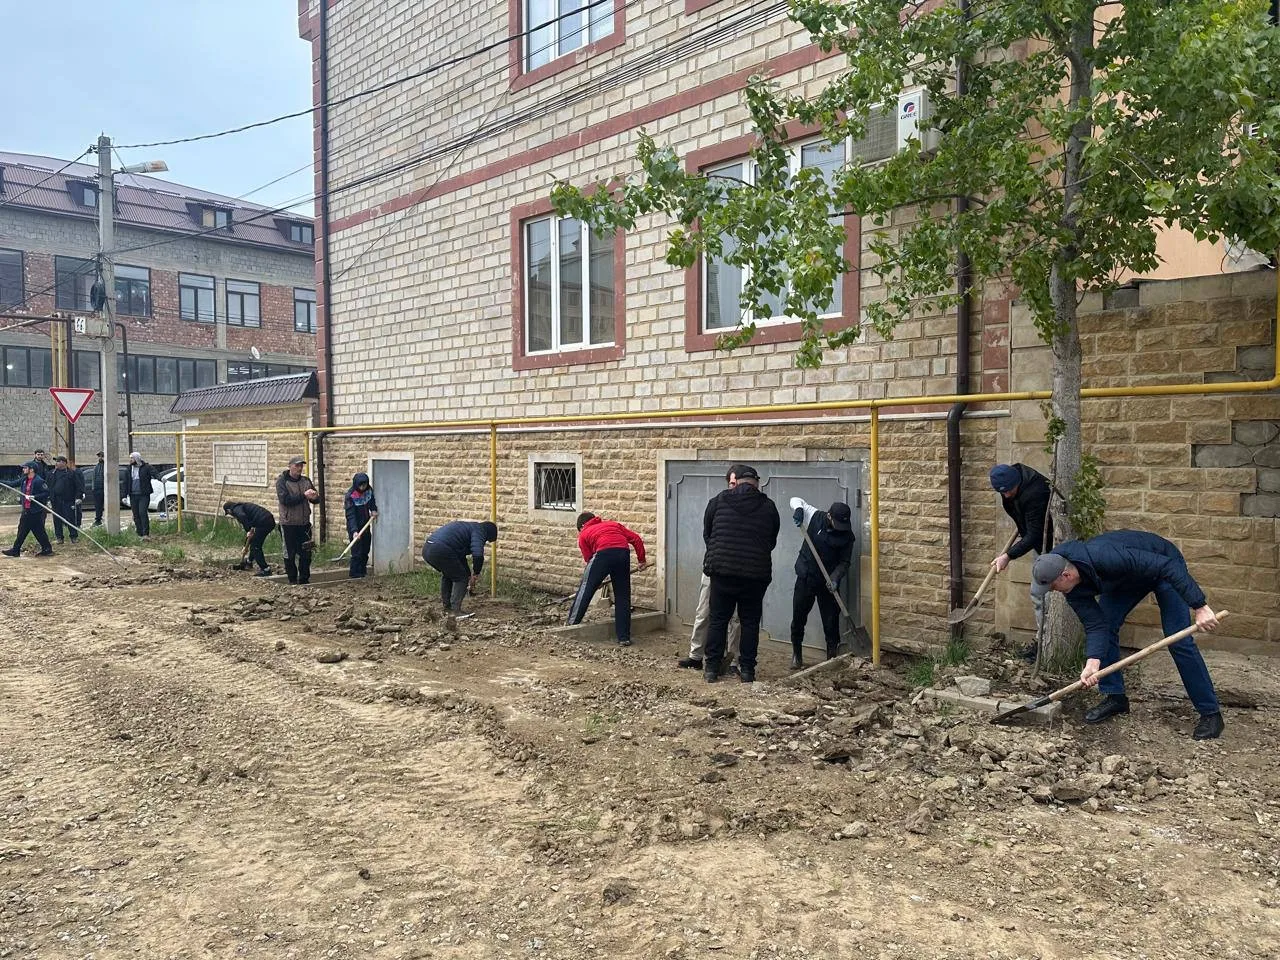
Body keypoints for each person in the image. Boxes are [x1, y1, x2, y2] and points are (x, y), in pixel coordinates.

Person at [1030, 529, 1224, 740]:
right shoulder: (1072, 588)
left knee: (1179, 640)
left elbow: (1166, 566)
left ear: (1066, 575)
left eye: (1053, 587)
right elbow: (1096, 625)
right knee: (1108, 626)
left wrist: (1200, 606)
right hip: (1127, 578)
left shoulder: (1105, 556)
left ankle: (1210, 713)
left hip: (1164, 566)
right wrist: (1093, 662)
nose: (1054, 591)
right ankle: (1116, 698)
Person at [701, 463, 780, 684]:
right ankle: (747, 671)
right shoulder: (769, 506)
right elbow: (771, 540)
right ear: (756, 484)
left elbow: (708, 534)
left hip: (722, 571)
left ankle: (711, 668)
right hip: (755, 575)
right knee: (750, 622)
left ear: (737, 482)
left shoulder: (718, 501)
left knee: (718, 619)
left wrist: (720, 553)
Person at [679, 469, 742, 673]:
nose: (735, 487)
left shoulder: (750, 508)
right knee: (704, 610)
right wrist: (717, 555)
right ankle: (696, 655)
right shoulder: (716, 503)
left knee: (736, 617)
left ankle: (733, 659)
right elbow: (707, 533)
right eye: (732, 483)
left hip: (739, 569)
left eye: (738, 483)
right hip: (714, 565)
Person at [990, 463, 1054, 658]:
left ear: (1017, 481)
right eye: (1003, 492)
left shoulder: (1036, 493)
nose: (1007, 495)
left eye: (1010, 490)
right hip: (1039, 544)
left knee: (1040, 594)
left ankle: (1045, 646)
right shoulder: (1009, 488)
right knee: (1040, 596)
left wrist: (1008, 555)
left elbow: (1035, 533)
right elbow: (1027, 525)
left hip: (1052, 546)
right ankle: (1044, 642)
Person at [788, 497, 855, 670]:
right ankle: (796, 653)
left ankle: (831, 658)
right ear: (829, 516)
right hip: (806, 576)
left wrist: (835, 577)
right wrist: (799, 511)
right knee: (799, 617)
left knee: (831, 622)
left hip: (828, 584)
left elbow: (845, 562)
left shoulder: (847, 536)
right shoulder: (815, 516)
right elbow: (795, 500)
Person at [567, 512, 647, 647]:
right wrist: (641, 560)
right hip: (623, 553)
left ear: (582, 526)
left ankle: (571, 625)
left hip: (602, 554)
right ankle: (624, 638)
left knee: (585, 589)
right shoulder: (614, 525)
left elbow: (589, 559)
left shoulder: (584, 533)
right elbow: (636, 539)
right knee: (622, 596)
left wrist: (595, 580)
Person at [423, 520, 498, 617]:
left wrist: (469, 574)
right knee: (461, 578)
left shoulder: (469, 528)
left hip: (428, 548)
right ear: (489, 533)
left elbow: (459, 556)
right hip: (440, 549)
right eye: (487, 540)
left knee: (449, 575)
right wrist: (476, 573)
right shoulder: (480, 531)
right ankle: (455, 611)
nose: (485, 541)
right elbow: (478, 555)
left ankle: (447, 608)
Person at [275, 455, 319, 585]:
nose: (299, 468)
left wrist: (314, 497)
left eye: (301, 466)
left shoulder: (306, 481)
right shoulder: (282, 482)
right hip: (288, 523)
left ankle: (304, 579)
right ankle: (292, 579)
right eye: (297, 465)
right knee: (290, 553)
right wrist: (304, 496)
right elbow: (286, 500)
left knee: (306, 553)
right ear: (290, 466)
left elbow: (316, 499)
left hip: (304, 523)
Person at [2, 461, 54, 557]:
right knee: (36, 531)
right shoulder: (24, 479)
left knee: (25, 531)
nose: (23, 469)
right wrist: (1, 482)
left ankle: (16, 550)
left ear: (31, 469)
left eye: (25, 468)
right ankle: (47, 549)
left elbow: (46, 493)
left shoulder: (39, 481)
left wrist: (34, 497)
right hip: (26, 510)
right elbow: (12, 484)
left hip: (35, 511)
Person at [223, 501, 276, 577]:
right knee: (254, 542)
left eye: (228, 513)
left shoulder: (236, 509)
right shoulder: (241, 506)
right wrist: (245, 545)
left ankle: (266, 569)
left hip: (264, 522)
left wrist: (248, 530)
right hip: (267, 520)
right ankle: (249, 562)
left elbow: (242, 516)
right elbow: (250, 533)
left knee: (255, 546)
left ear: (229, 510)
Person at [343, 472, 378, 579]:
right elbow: (350, 515)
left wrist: (373, 509)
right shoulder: (350, 496)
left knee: (365, 550)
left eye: (364, 485)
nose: (363, 488)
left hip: (365, 524)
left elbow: (372, 501)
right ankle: (355, 574)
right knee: (357, 552)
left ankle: (362, 572)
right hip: (355, 526)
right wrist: (354, 531)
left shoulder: (368, 490)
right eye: (361, 485)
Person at [49, 455, 80, 544]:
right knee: (57, 519)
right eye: (57, 462)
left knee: (70, 519)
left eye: (60, 462)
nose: (58, 463)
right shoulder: (52, 473)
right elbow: (48, 486)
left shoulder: (71, 473)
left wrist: (79, 497)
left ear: (65, 463)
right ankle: (59, 537)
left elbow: (78, 486)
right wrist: (49, 499)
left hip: (68, 500)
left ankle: (73, 536)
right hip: (56, 500)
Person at [126, 452, 155, 538]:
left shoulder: (146, 467)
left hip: (143, 495)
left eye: (132, 458)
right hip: (133, 495)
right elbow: (125, 482)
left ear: (137, 458)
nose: (130, 460)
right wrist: (124, 495)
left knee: (142, 512)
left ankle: (145, 533)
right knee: (136, 515)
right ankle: (139, 533)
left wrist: (161, 478)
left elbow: (155, 473)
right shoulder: (129, 469)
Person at [68, 456, 85, 529]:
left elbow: (81, 483)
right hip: (70, 494)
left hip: (77, 494)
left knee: (78, 510)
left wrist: (82, 493)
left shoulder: (78, 472)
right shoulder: (68, 472)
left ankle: (78, 524)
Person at [92, 451, 105, 526]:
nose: (100, 458)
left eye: (102, 456)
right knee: (98, 506)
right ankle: (98, 519)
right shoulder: (96, 466)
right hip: (97, 489)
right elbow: (94, 478)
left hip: (105, 489)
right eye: (99, 456)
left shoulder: (107, 466)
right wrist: (93, 488)